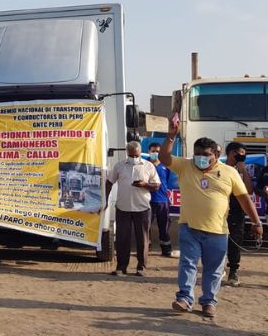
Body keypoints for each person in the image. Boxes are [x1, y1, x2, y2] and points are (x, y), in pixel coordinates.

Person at [161, 119, 263, 318]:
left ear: (216, 155)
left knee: (214, 269)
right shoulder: (185, 166)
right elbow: (164, 157)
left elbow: (244, 199)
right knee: (188, 263)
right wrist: (171, 135)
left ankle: (209, 302)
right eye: (197, 154)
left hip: (217, 231)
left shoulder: (230, 172)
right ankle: (184, 298)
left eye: (206, 155)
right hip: (189, 227)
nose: (201, 158)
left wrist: (256, 222)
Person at [106, 141, 161, 276]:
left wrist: (144, 185)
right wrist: (105, 200)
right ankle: (121, 267)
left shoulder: (148, 166)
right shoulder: (119, 166)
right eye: (131, 155)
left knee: (142, 239)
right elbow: (109, 182)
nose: (134, 157)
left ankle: (141, 267)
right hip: (123, 207)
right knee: (122, 239)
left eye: (136, 155)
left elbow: (156, 186)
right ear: (127, 153)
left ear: (140, 153)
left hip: (142, 208)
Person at [223, 142, 253, 287]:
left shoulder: (242, 171)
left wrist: (243, 171)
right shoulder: (220, 169)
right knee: (216, 242)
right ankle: (217, 269)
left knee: (234, 242)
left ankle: (233, 271)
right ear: (230, 153)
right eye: (239, 153)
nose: (242, 156)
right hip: (219, 212)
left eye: (244, 154)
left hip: (237, 213)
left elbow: (249, 191)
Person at [148, 142, 173, 257]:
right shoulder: (144, 164)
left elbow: (167, 180)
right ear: (149, 152)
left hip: (162, 200)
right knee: (145, 226)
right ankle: (145, 247)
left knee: (164, 226)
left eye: (158, 151)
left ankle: (166, 249)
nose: (155, 153)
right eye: (153, 151)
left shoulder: (165, 165)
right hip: (147, 200)